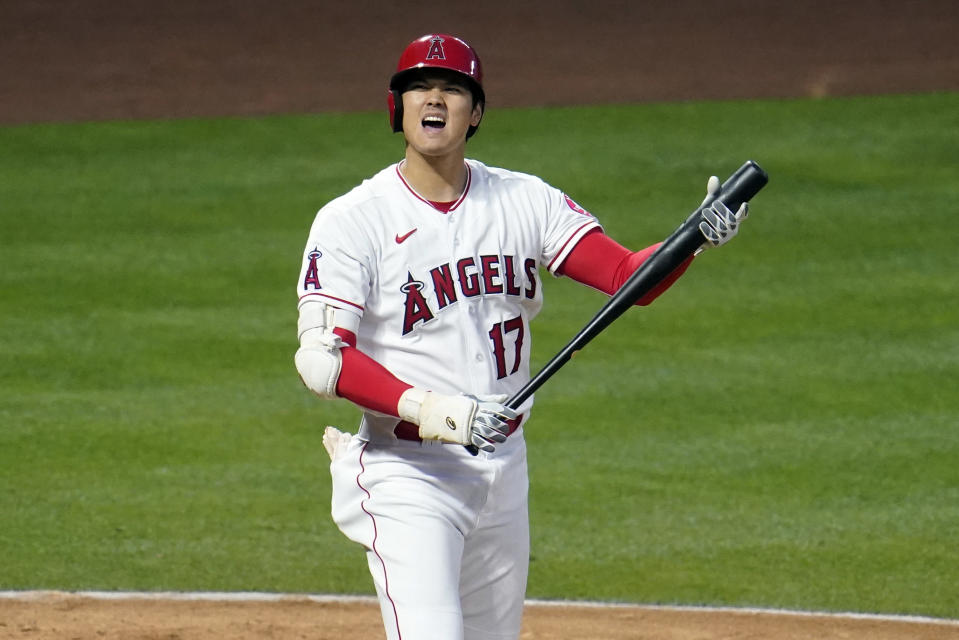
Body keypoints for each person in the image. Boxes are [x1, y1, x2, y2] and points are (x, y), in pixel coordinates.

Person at [294, 33, 748, 640]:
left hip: (503, 471)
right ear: (396, 107)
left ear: (475, 112)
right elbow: (325, 362)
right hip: (408, 474)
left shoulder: (524, 200)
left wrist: (693, 238)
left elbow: (626, 279)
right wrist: (440, 413)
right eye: (419, 88)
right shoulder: (353, 219)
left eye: (453, 88)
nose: (435, 98)